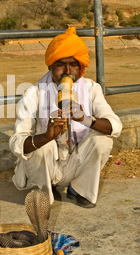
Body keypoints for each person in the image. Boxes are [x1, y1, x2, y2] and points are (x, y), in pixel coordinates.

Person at [9, 26, 122, 208]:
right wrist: (47, 136)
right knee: (41, 147)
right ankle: (45, 190)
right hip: (45, 165)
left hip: (74, 163)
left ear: (81, 67)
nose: (67, 70)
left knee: (103, 140)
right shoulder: (34, 93)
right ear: (50, 66)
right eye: (61, 64)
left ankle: (79, 189)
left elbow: (115, 126)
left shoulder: (92, 89)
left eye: (74, 64)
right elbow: (16, 142)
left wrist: (85, 119)